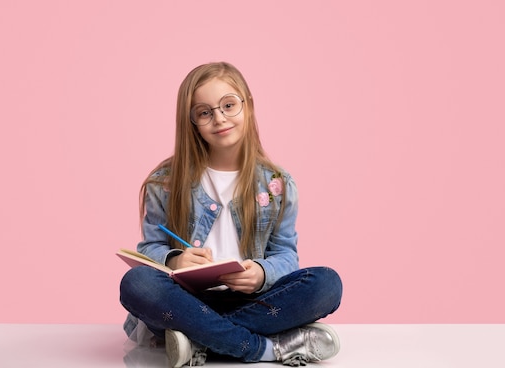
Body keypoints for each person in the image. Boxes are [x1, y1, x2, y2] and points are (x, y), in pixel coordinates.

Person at [119, 61, 343, 367]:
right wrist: (175, 260)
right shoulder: (165, 181)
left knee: (327, 284)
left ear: (248, 106)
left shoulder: (279, 184)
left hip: (255, 301)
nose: (219, 118)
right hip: (186, 302)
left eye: (228, 105)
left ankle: (197, 340)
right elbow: (149, 249)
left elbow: (286, 256)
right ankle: (265, 348)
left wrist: (262, 273)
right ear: (192, 122)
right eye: (204, 112)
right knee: (137, 282)